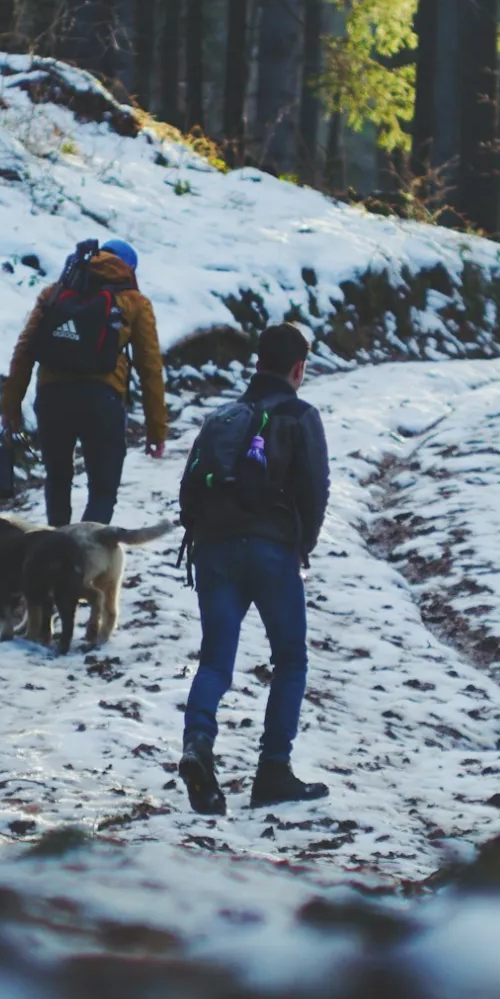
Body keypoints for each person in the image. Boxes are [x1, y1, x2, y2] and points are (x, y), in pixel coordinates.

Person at [176, 320, 331, 816]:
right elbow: (315, 488)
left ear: (257, 362)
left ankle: (198, 743)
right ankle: (273, 771)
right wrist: (300, 544)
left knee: (216, 660)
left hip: (214, 549)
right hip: (270, 550)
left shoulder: (222, 416)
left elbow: (188, 491)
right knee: (289, 659)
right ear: (298, 368)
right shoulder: (300, 416)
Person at [1, 237, 167, 527]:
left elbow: (25, 350)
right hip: (102, 400)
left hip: (52, 396)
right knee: (103, 490)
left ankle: (55, 556)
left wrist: (11, 406)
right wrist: (156, 429)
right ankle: (84, 555)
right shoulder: (134, 302)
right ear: (130, 269)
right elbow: (150, 367)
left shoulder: (54, 294)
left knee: (58, 479)